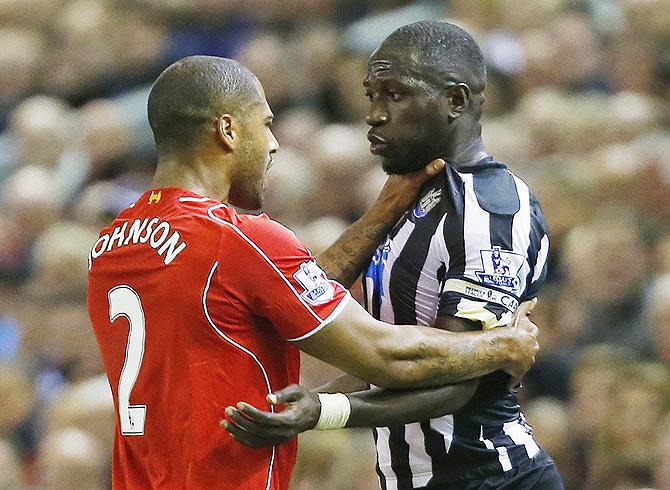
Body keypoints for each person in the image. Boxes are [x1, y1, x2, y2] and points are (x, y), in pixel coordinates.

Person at [86, 55, 540, 490]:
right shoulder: (235, 238)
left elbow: (275, 293)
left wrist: (382, 211)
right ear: (228, 130)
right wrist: (503, 343)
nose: (273, 143)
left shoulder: (109, 247)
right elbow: (387, 356)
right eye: (265, 124)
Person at [224, 21, 563, 489]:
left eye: (396, 95)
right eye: (372, 96)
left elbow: (456, 378)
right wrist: (307, 404)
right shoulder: (411, 198)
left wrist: (323, 410)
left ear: (456, 101)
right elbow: (388, 359)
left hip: (492, 476)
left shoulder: (489, 210)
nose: (375, 115)